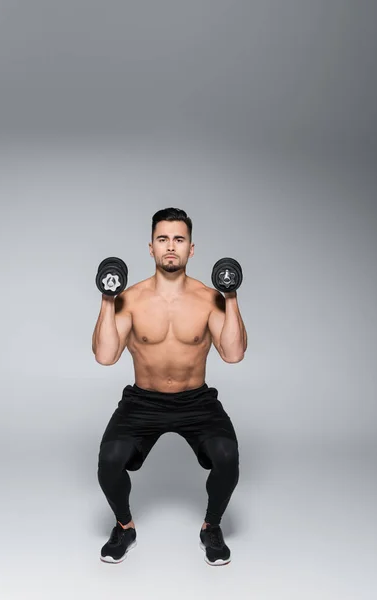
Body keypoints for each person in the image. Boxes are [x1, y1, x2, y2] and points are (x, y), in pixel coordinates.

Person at [92, 208, 247, 566]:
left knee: (228, 457)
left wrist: (232, 295)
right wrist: (106, 297)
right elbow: (105, 357)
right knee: (109, 461)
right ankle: (124, 527)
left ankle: (211, 527)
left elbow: (234, 354)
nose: (171, 247)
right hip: (143, 400)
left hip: (196, 400)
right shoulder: (130, 297)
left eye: (179, 239)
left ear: (192, 248)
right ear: (151, 248)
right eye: (163, 239)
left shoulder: (210, 298)